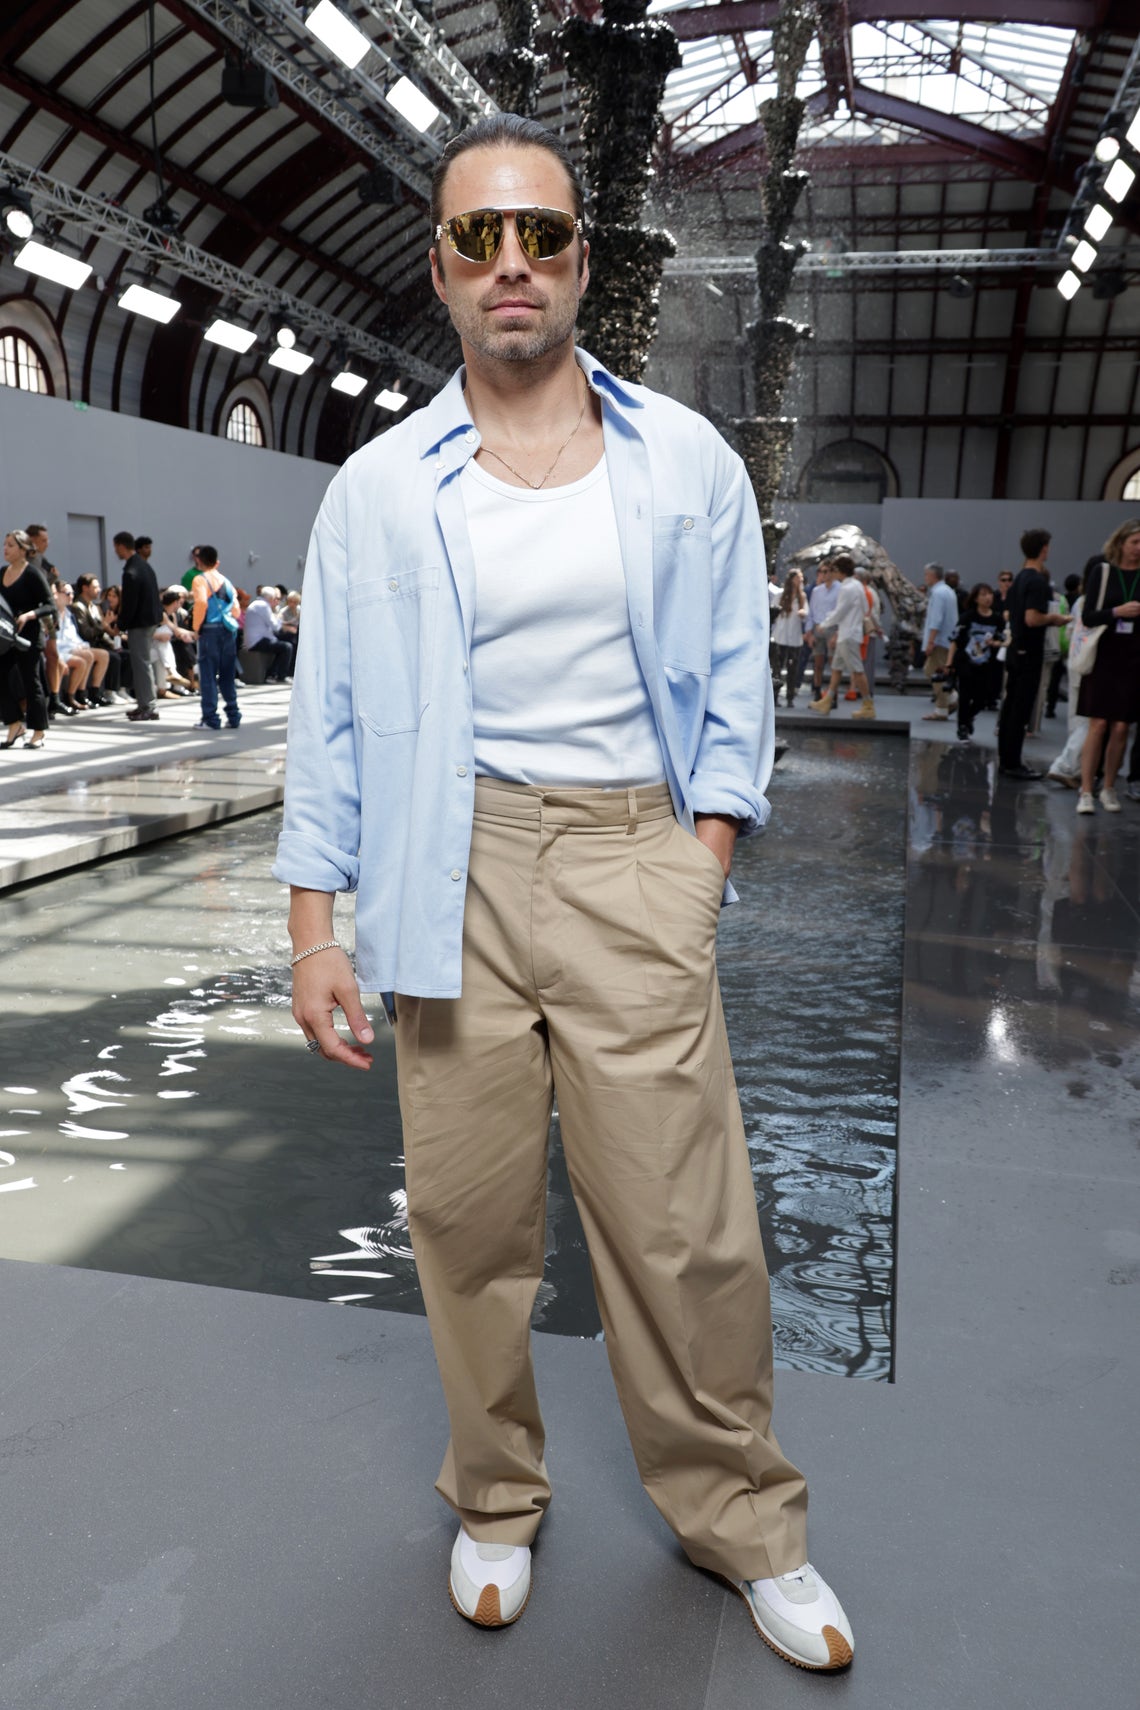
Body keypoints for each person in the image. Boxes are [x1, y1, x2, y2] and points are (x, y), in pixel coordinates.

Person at [275, 112, 852, 1673]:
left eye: (541, 234)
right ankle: (497, 1493)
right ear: (443, 270)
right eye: (479, 237)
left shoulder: (687, 465)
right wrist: (316, 923)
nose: (510, 263)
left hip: (628, 858)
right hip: (439, 863)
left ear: (584, 262)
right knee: (467, 1220)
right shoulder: (385, 490)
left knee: (684, 1225)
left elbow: (739, 682)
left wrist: (698, 866)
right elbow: (330, 709)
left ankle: (745, 1517)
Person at [1075, 520, 1140, 814]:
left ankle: (1110, 787)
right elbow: (1087, 616)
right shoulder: (1102, 572)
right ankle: (1086, 790)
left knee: (1122, 727)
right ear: (1121, 543)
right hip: (1104, 655)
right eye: (1134, 542)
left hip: (1134, 658)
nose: (1138, 549)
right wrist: (1116, 612)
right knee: (1098, 724)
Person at [996, 529, 1068, 779]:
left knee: (1011, 705)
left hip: (1017, 648)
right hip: (1029, 650)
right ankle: (1012, 762)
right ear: (1044, 549)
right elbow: (1033, 618)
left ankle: (1007, 758)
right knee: (1021, 706)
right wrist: (1056, 619)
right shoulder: (1036, 581)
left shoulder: (1019, 579)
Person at [1, 528, 52, 748]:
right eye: (5, 545)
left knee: (31, 682)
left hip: (29, 636)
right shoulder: (2, 572)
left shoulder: (32, 573)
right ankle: (14, 724)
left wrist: (30, 614)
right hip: (5, 636)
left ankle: (38, 731)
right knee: (1, 678)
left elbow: (49, 604)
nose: (5, 549)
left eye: (10, 545)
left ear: (23, 550)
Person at [811, 552, 875, 719]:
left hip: (848, 635)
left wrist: (824, 625)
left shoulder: (847, 588)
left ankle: (868, 705)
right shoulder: (858, 586)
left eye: (834, 570)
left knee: (857, 671)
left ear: (840, 571)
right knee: (836, 668)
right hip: (848, 634)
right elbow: (863, 608)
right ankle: (827, 700)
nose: (832, 574)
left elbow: (840, 612)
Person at [190, 545, 241, 731]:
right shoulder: (226, 581)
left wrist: (196, 628)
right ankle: (233, 715)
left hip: (210, 631)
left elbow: (201, 602)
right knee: (227, 674)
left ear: (199, 561)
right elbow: (236, 609)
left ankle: (211, 719)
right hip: (228, 631)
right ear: (216, 562)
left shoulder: (200, 579)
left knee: (208, 676)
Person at [113, 530, 162, 721]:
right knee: (142, 662)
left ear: (121, 546)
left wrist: (121, 624)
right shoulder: (144, 566)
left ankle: (148, 706)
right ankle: (144, 704)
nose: (115, 551)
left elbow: (130, 602)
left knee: (141, 664)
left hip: (139, 623)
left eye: (116, 547)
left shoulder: (131, 571)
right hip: (149, 620)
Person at [945, 583, 1002, 744]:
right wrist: (949, 665)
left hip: (986, 663)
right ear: (976, 599)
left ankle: (969, 717)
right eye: (983, 595)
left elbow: (1003, 639)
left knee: (982, 698)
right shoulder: (968, 617)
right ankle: (962, 727)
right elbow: (955, 640)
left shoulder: (997, 619)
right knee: (965, 695)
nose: (987, 598)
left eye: (989, 594)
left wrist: (996, 643)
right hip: (966, 662)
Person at [920, 563, 959, 720]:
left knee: (934, 672)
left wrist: (931, 642)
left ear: (933, 575)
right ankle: (948, 700)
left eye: (926, 575)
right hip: (947, 640)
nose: (925, 578)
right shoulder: (948, 591)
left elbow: (936, 620)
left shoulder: (938, 593)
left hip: (940, 641)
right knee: (935, 671)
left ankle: (945, 704)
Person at [770, 568, 807, 707]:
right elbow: (772, 610)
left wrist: (803, 613)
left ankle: (790, 697)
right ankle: (775, 697)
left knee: (792, 669)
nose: (800, 581)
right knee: (777, 669)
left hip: (794, 639)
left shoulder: (801, 596)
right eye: (798, 578)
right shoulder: (780, 595)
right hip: (780, 637)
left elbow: (806, 613)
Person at [243, 585, 294, 681]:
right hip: (257, 641)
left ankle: (275, 673)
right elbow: (275, 626)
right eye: (275, 598)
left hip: (254, 640)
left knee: (283, 644)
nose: (276, 601)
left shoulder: (256, 604)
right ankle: (275, 674)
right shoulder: (264, 606)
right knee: (287, 647)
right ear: (270, 598)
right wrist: (279, 617)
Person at [804, 559, 838, 697]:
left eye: (826, 571)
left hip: (831, 628)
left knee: (833, 663)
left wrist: (837, 632)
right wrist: (809, 631)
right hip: (818, 629)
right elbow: (811, 612)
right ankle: (817, 692)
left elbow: (840, 611)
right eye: (821, 571)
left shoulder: (840, 589)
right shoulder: (817, 591)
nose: (823, 574)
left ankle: (832, 695)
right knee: (817, 664)